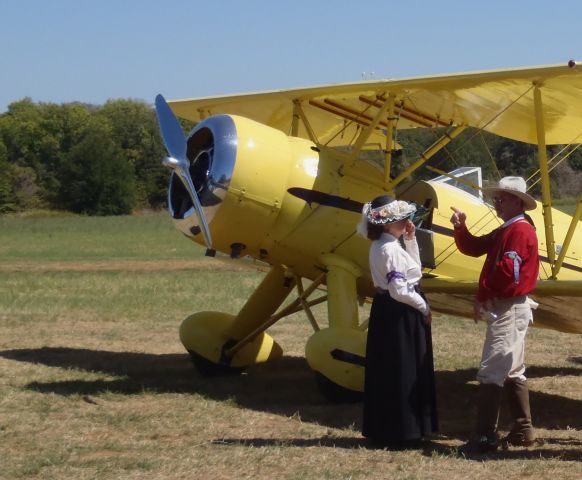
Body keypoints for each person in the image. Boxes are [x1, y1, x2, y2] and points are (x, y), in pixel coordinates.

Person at [450, 176, 539, 454]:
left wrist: (483, 296)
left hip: (509, 306)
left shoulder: (519, 232)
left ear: (517, 201)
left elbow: (507, 275)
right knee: (511, 368)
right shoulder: (508, 229)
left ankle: (486, 436)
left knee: (492, 369)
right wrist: (460, 228)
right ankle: (523, 430)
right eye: (496, 198)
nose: (496, 203)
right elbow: (474, 248)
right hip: (510, 305)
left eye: (501, 199)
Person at [359, 195, 438, 448]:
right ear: (386, 224)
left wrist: (410, 239)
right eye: (400, 219)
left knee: (389, 369)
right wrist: (423, 307)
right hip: (400, 312)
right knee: (403, 369)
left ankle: (388, 428)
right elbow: (400, 290)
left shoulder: (386, 245)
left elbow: (415, 269)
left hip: (389, 311)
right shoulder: (389, 249)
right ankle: (403, 431)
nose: (406, 222)